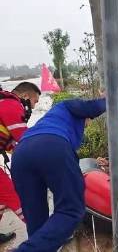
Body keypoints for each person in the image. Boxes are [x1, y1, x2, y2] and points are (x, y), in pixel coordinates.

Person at [10, 97, 106, 252]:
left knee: (35, 218)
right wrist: (111, 98)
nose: (87, 123)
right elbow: (93, 106)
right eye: (87, 120)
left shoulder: (51, 119)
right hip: (52, 146)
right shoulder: (67, 105)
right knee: (71, 209)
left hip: (20, 154)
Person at [0, 82, 41, 244]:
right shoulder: (12, 104)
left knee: (2, 200)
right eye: (35, 101)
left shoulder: (4, 103)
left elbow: (13, 144)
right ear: (25, 96)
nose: (34, 106)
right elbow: (25, 141)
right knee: (15, 196)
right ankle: (45, 233)